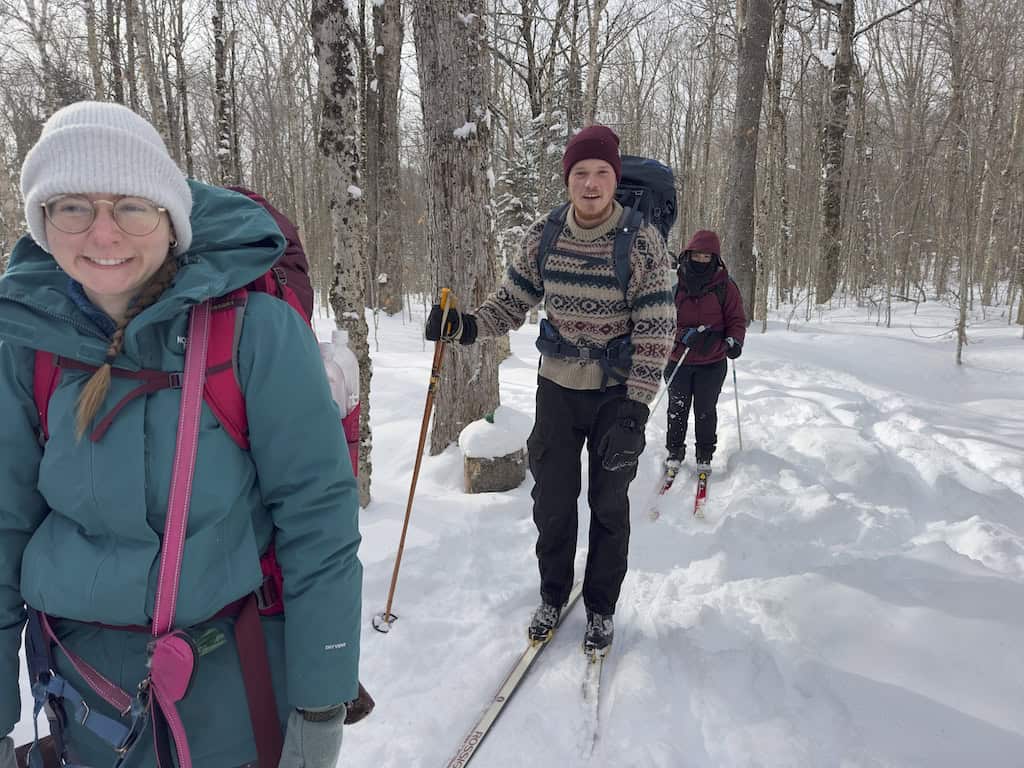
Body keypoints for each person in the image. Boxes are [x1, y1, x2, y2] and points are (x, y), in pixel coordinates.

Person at [0, 102, 361, 768]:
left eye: (131, 206)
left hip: (234, 686)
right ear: (43, 222)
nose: (103, 235)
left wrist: (320, 709)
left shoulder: (253, 332)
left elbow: (318, 524)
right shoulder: (23, 344)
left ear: (169, 216)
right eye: (72, 206)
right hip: (81, 691)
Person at [424, 125, 675, 654]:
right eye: (580, 174)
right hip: (557, 389)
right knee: (553, 502)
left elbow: (656, 328)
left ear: (614, 179)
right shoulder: (545, 235)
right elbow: (510, 302)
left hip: (616, 395)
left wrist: (636, 409)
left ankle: (601, 607)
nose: (590, 184)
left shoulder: (641, 241)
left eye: (601, 173)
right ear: (567, 180)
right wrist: (465, 326)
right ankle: (553, 594)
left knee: (609, 505)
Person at [663, 229, 746, 475]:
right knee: (677, 408)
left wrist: (733, 342)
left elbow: (736, 319)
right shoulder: (674, 283)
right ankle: (674, 451)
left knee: (705, 409)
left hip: (713, 359)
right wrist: (682, 336)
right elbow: (662, 319)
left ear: (715, 258)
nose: (701, 259)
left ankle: (704, 455)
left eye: (706, 256)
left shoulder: (725, 286)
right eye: (697, 254)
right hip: (678, 358)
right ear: (688, 254)